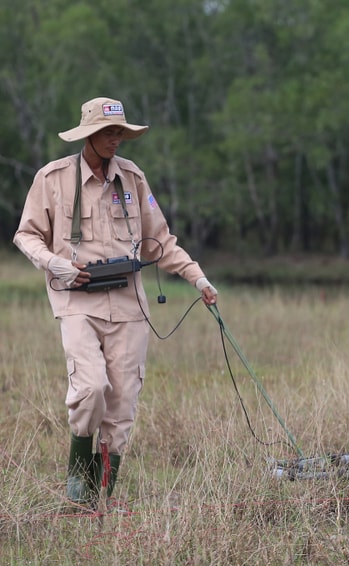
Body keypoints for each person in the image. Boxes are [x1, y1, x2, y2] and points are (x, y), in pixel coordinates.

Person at [14, 97, 218, 509]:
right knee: (91, 389)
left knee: (122, 402)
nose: (116, 140)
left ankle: (98, 499)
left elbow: (159, 241)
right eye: (109, 133)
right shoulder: (52, 178)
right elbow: (26, 235)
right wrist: (57, 264)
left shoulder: (133, 178)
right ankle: (77, 482)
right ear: (89, 134)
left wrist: (197, 278)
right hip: (76, 300)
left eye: (120, 133)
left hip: (129, 304)